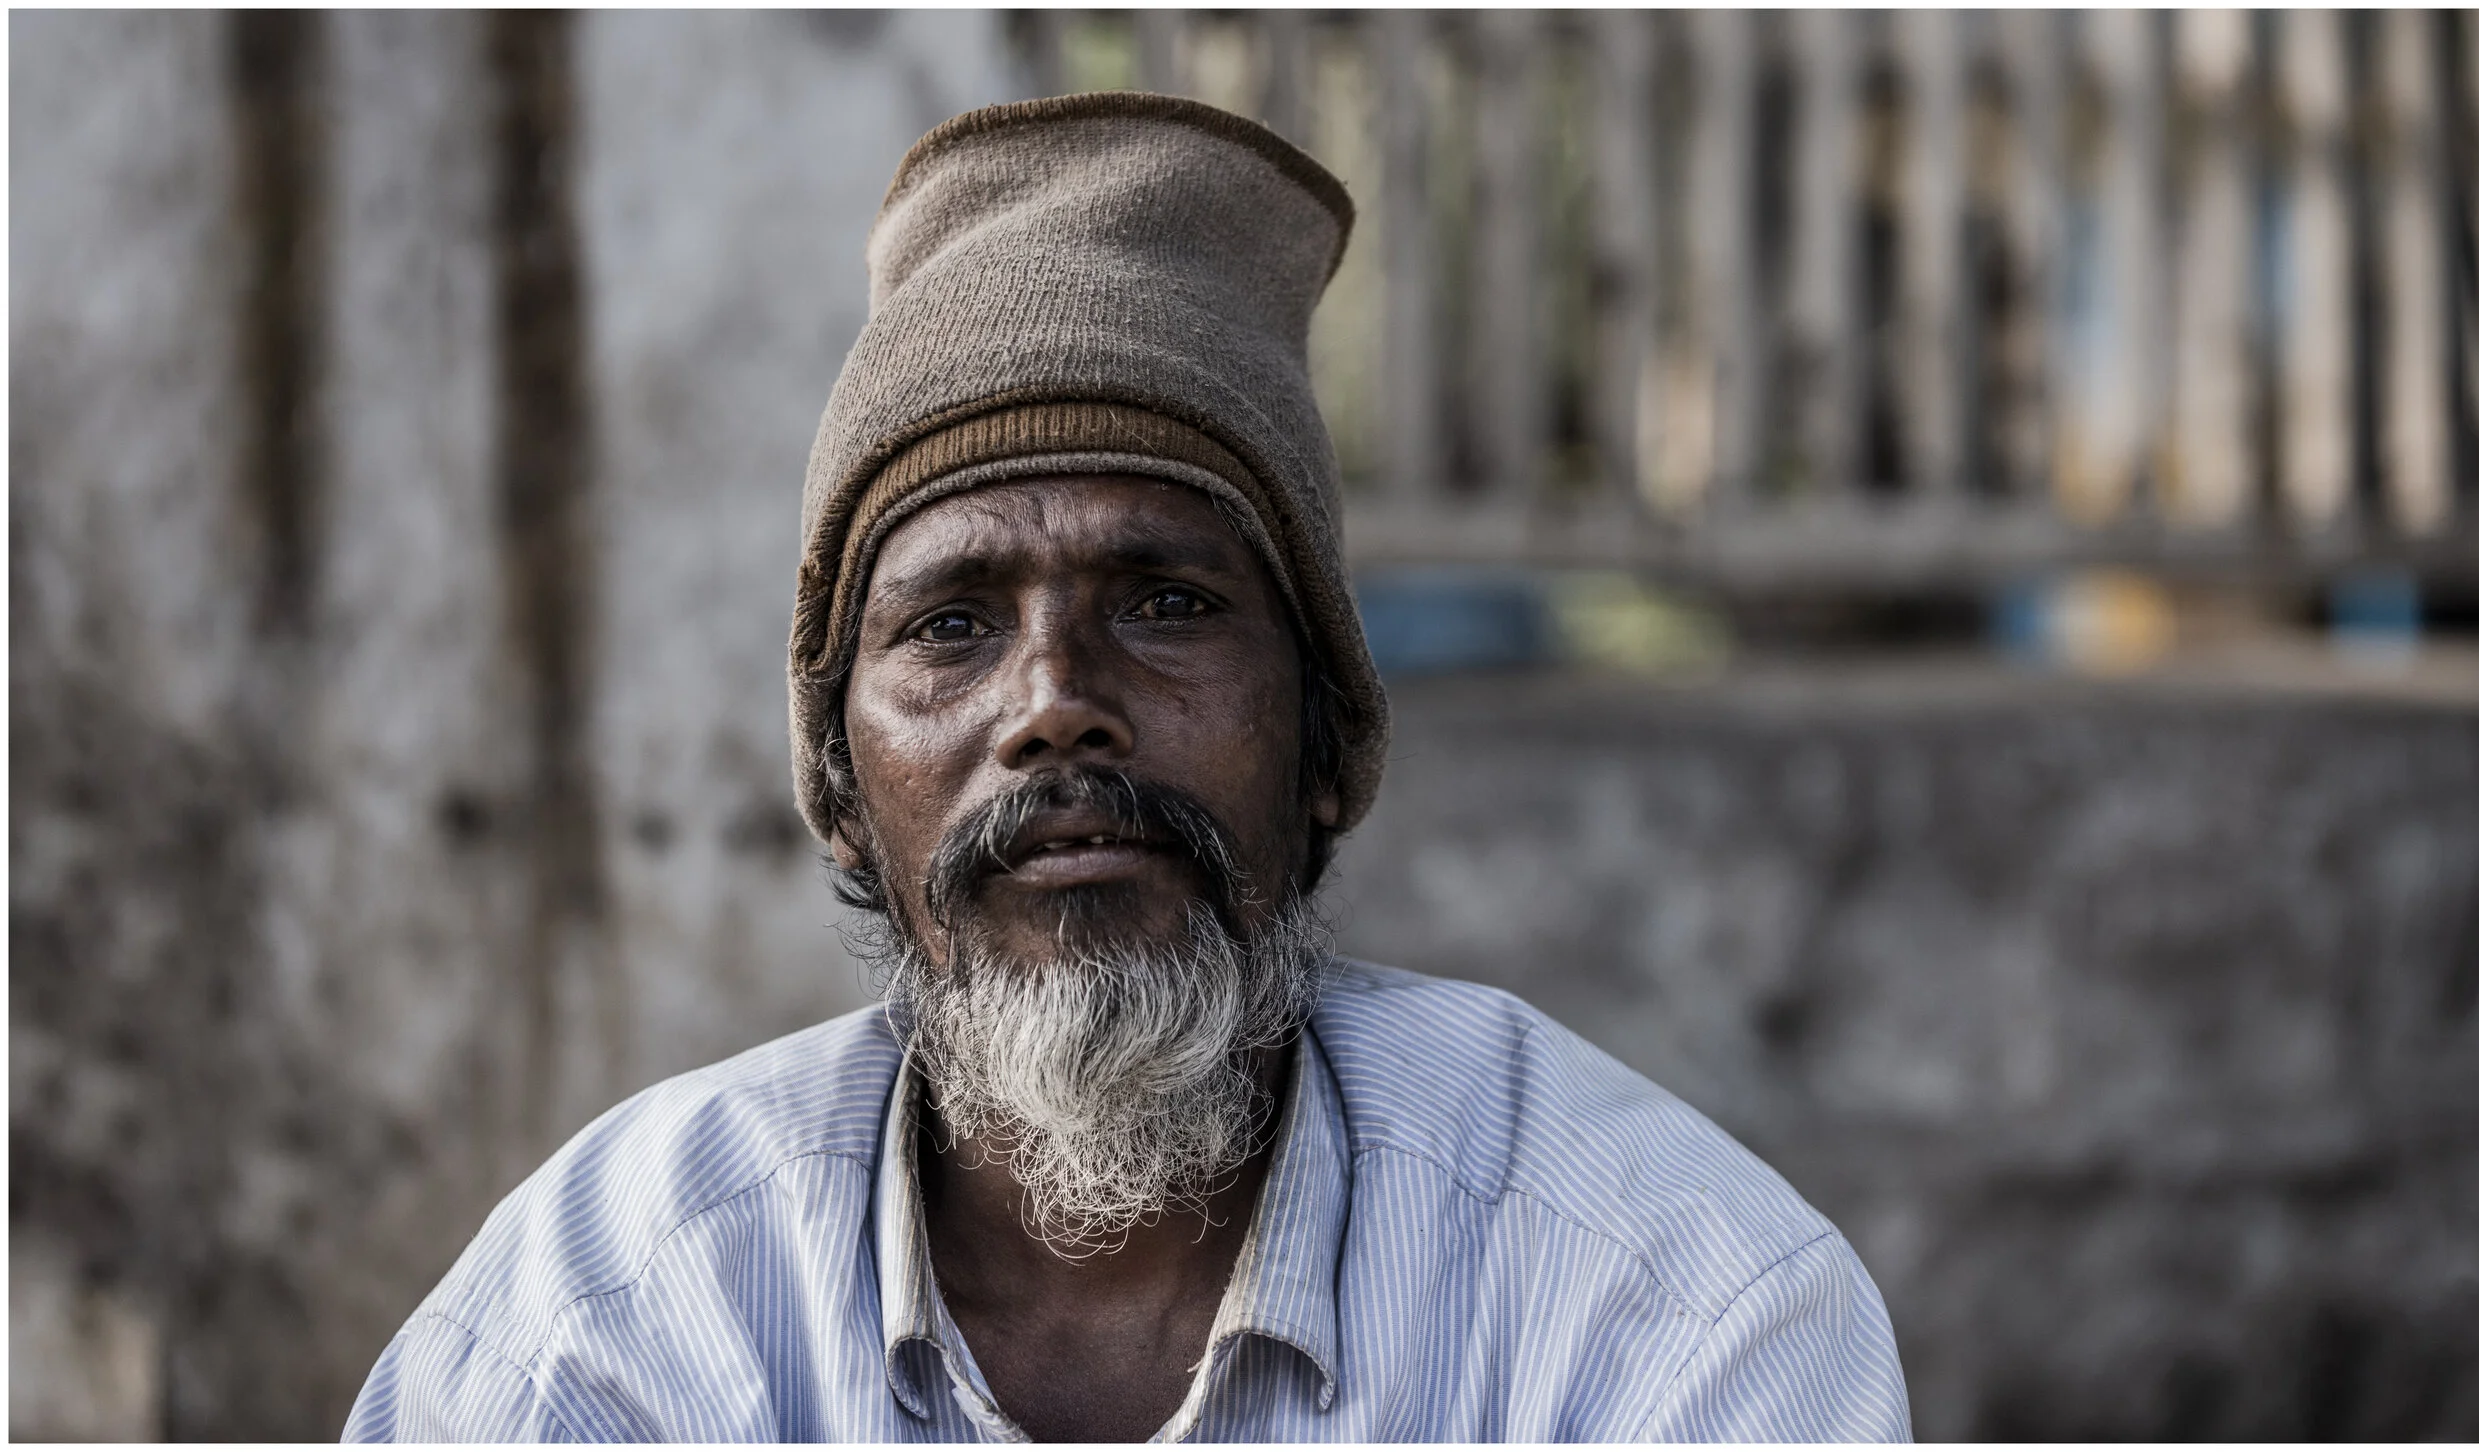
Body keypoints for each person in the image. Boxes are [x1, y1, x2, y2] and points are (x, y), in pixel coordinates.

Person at [345, 92, 1911, 1443]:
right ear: (835, 788)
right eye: (951, 625)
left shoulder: (1665, 1300)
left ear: (1330, 741)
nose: (1056, 706)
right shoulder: (610, 1315)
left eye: (1168, 604)